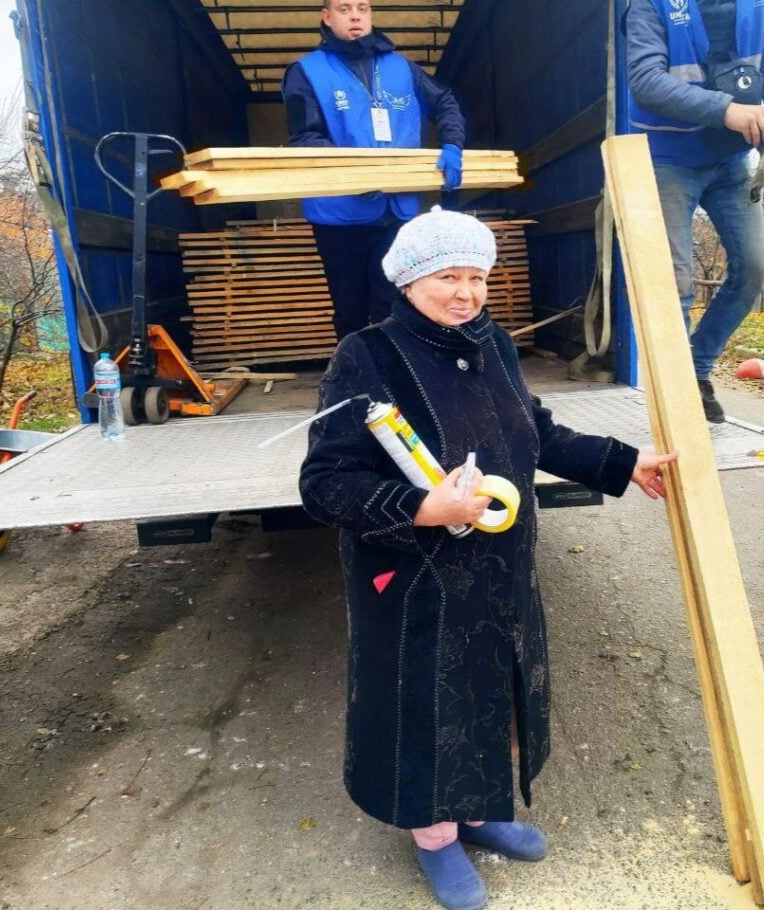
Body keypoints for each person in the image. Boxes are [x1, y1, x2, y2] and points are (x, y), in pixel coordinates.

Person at [298, 207, 678, 910]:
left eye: (476, 276)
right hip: (413, 574)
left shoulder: (493, 344)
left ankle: (477, 810)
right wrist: (423, 508)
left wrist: (625, 464)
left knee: (489, 687)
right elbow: (324, 484)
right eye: (448, 276)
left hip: (498, 567)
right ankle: (435, 836)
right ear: (411, 280)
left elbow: (536, 432)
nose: (465, 292)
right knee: (425, 699)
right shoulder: (368, 355)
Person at [626, 0, 764, 422]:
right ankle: (678, 394)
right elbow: (645, 80)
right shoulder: (650, 5)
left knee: (753, 268)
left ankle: (696, 369)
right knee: (675, 284)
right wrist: (725, 110)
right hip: (668, 158)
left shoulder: (756, 5)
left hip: (729, 162)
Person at [283, 0, 467, 342]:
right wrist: (357, 175)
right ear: (326, 16)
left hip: (396, 212)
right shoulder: (306, 71)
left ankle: (397, 379)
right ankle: (355, 378)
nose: (355, 15)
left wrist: (452, 144)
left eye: (362, 8)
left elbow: (444, 102)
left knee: (394, 304)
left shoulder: (400, 67)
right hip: (339, 215)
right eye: (344, 8)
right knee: (350, 309)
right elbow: (305, 137)